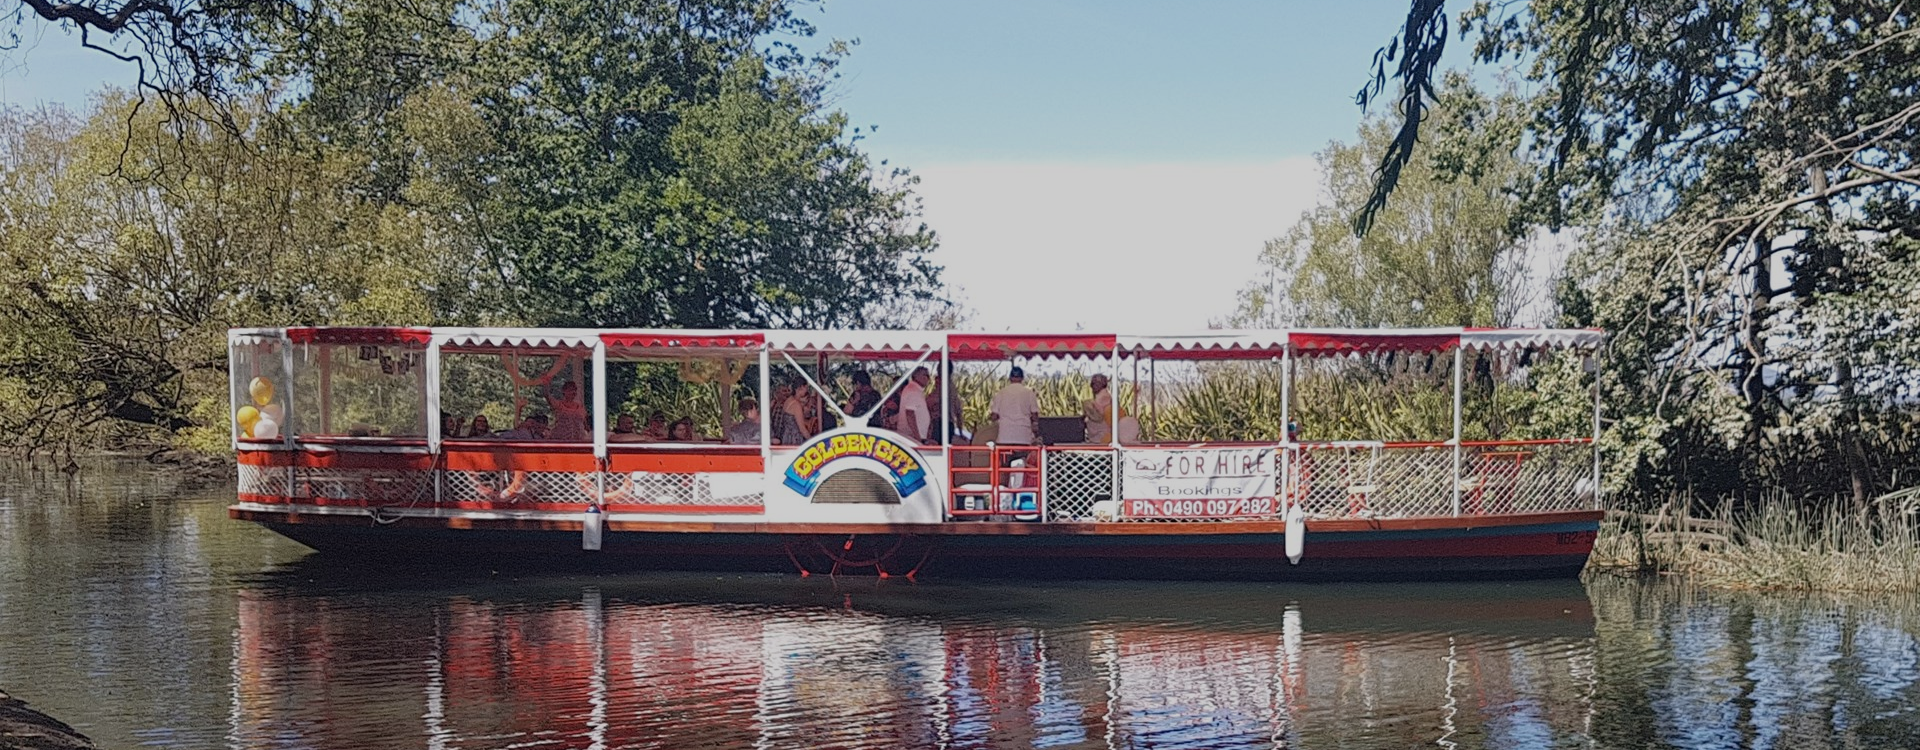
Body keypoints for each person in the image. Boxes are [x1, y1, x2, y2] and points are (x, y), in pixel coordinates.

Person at [988, 366, 1041, 446]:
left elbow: (994, 416)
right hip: (1023, 437)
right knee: (1023, 458)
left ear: (1010, 378)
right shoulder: (1029, 393)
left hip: (1005, 436)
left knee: (1005, 458)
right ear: (1022, 378)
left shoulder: (1001, 393)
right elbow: (1034, 416)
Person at [898, 366, 932, 443]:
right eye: (925, 375)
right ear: (916, 376)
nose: (928, 378)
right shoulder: (913, 391)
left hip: (914, 436)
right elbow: (910, 414)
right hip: (913, 437)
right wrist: (917, 437)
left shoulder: (915, 390)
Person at [1083, 373, 1114, 444]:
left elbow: (1098, 418)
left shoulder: (1105, 400)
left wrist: (1089, 407)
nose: (1094, 386)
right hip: (1098, 439)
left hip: (1103, 439)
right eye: (1093, 384)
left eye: (1098, 384)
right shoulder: (1094, 401)